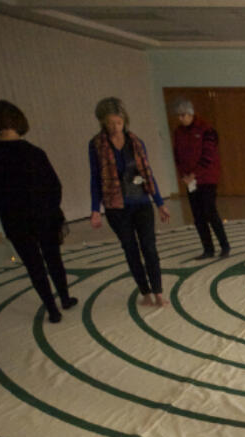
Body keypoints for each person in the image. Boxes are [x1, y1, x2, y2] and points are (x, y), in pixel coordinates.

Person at [0, 100, 77, 324]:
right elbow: (55, 186)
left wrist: (4, 211)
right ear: (18, 121)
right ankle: (65, 298)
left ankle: (52, 310)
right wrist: (52, 210)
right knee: (53, 259)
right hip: (44, 218)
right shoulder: (33, 153)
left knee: (34, 265)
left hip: (15, 221)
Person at [88, 97, 171, 307]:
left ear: (125, 120)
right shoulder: (96, 145)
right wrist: (95, 209)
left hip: (141, 202)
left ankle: (158, 291)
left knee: (149, 247)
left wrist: (160, 203)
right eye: (110, 123)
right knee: (130, 249)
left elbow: (148, 174)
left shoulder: (136, 142)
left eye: (119, 122)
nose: (115, 127)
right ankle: (144, 291)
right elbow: (95, 178)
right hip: (116, 207)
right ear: (103, 123)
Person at [171, 99, 230, 260]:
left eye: (183, 115)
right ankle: (208, 249)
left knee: (210, 212)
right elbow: (177, 155)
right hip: (190, 181)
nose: (181, 119)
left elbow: (208, 155)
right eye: (178, 116)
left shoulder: (207, 130)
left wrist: (194, 174)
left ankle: (224, 246)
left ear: (191, 114)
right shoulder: (178, 132)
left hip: (207, 178)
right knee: (197, 216)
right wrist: (184, 174)